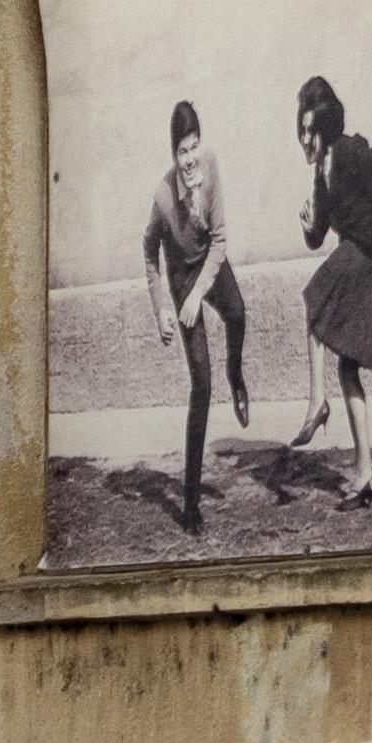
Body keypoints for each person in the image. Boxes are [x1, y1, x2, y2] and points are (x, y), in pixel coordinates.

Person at [289, 75, 372, 512]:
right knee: (348, 370)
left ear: (325, 127)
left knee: (313, 297)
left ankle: (315, 403)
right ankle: (364, 476)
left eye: (311, 130)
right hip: (356, 253)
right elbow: (319, 235)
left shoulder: (350, 152)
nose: (305, 139)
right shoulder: (319, 178)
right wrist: (308, 229)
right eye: (300, 131)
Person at [143, 99, 251, 534]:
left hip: (209, 262)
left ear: (199, 144)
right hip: (182, 278)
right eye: (181, 151)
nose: (189, 159)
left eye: (193, 146)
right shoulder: (163, 198)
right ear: (172, 155)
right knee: (201, 388)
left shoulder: (211, 171)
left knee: (239, 313)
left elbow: (221, 239)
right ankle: (189, 505)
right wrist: (163, 309)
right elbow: (150, 251)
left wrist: (203, 291)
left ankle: (237, 376)